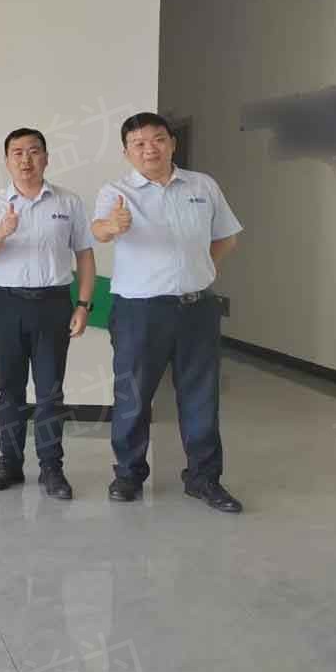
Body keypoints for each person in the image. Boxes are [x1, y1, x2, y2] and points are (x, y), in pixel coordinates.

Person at [92, 112, 243, 513]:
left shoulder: (202, 185)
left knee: (201, 396)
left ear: (172, 143)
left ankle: (204, 479)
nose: (150, 149)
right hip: (139, 311)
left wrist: (201, 269)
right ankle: (128, 475)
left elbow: (226, 238)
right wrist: (113, 226)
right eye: (139, 143)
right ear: (126, 152)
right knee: (133, 394)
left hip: (198, 309)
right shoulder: (117, 191)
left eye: (158, 139)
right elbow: (99, 230)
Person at [0, 128, 96, 500]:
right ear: (6, 160)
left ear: (46, 158)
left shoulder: (68, 201)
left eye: (33, 151)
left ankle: (51, 468)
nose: (26, 159)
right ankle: (9, 463)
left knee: (50, 390)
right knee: (10, 388)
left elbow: (85, 255)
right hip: (6, 303)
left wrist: (83, 305)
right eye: (17, 152)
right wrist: (2, 232)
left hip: (54, 303)